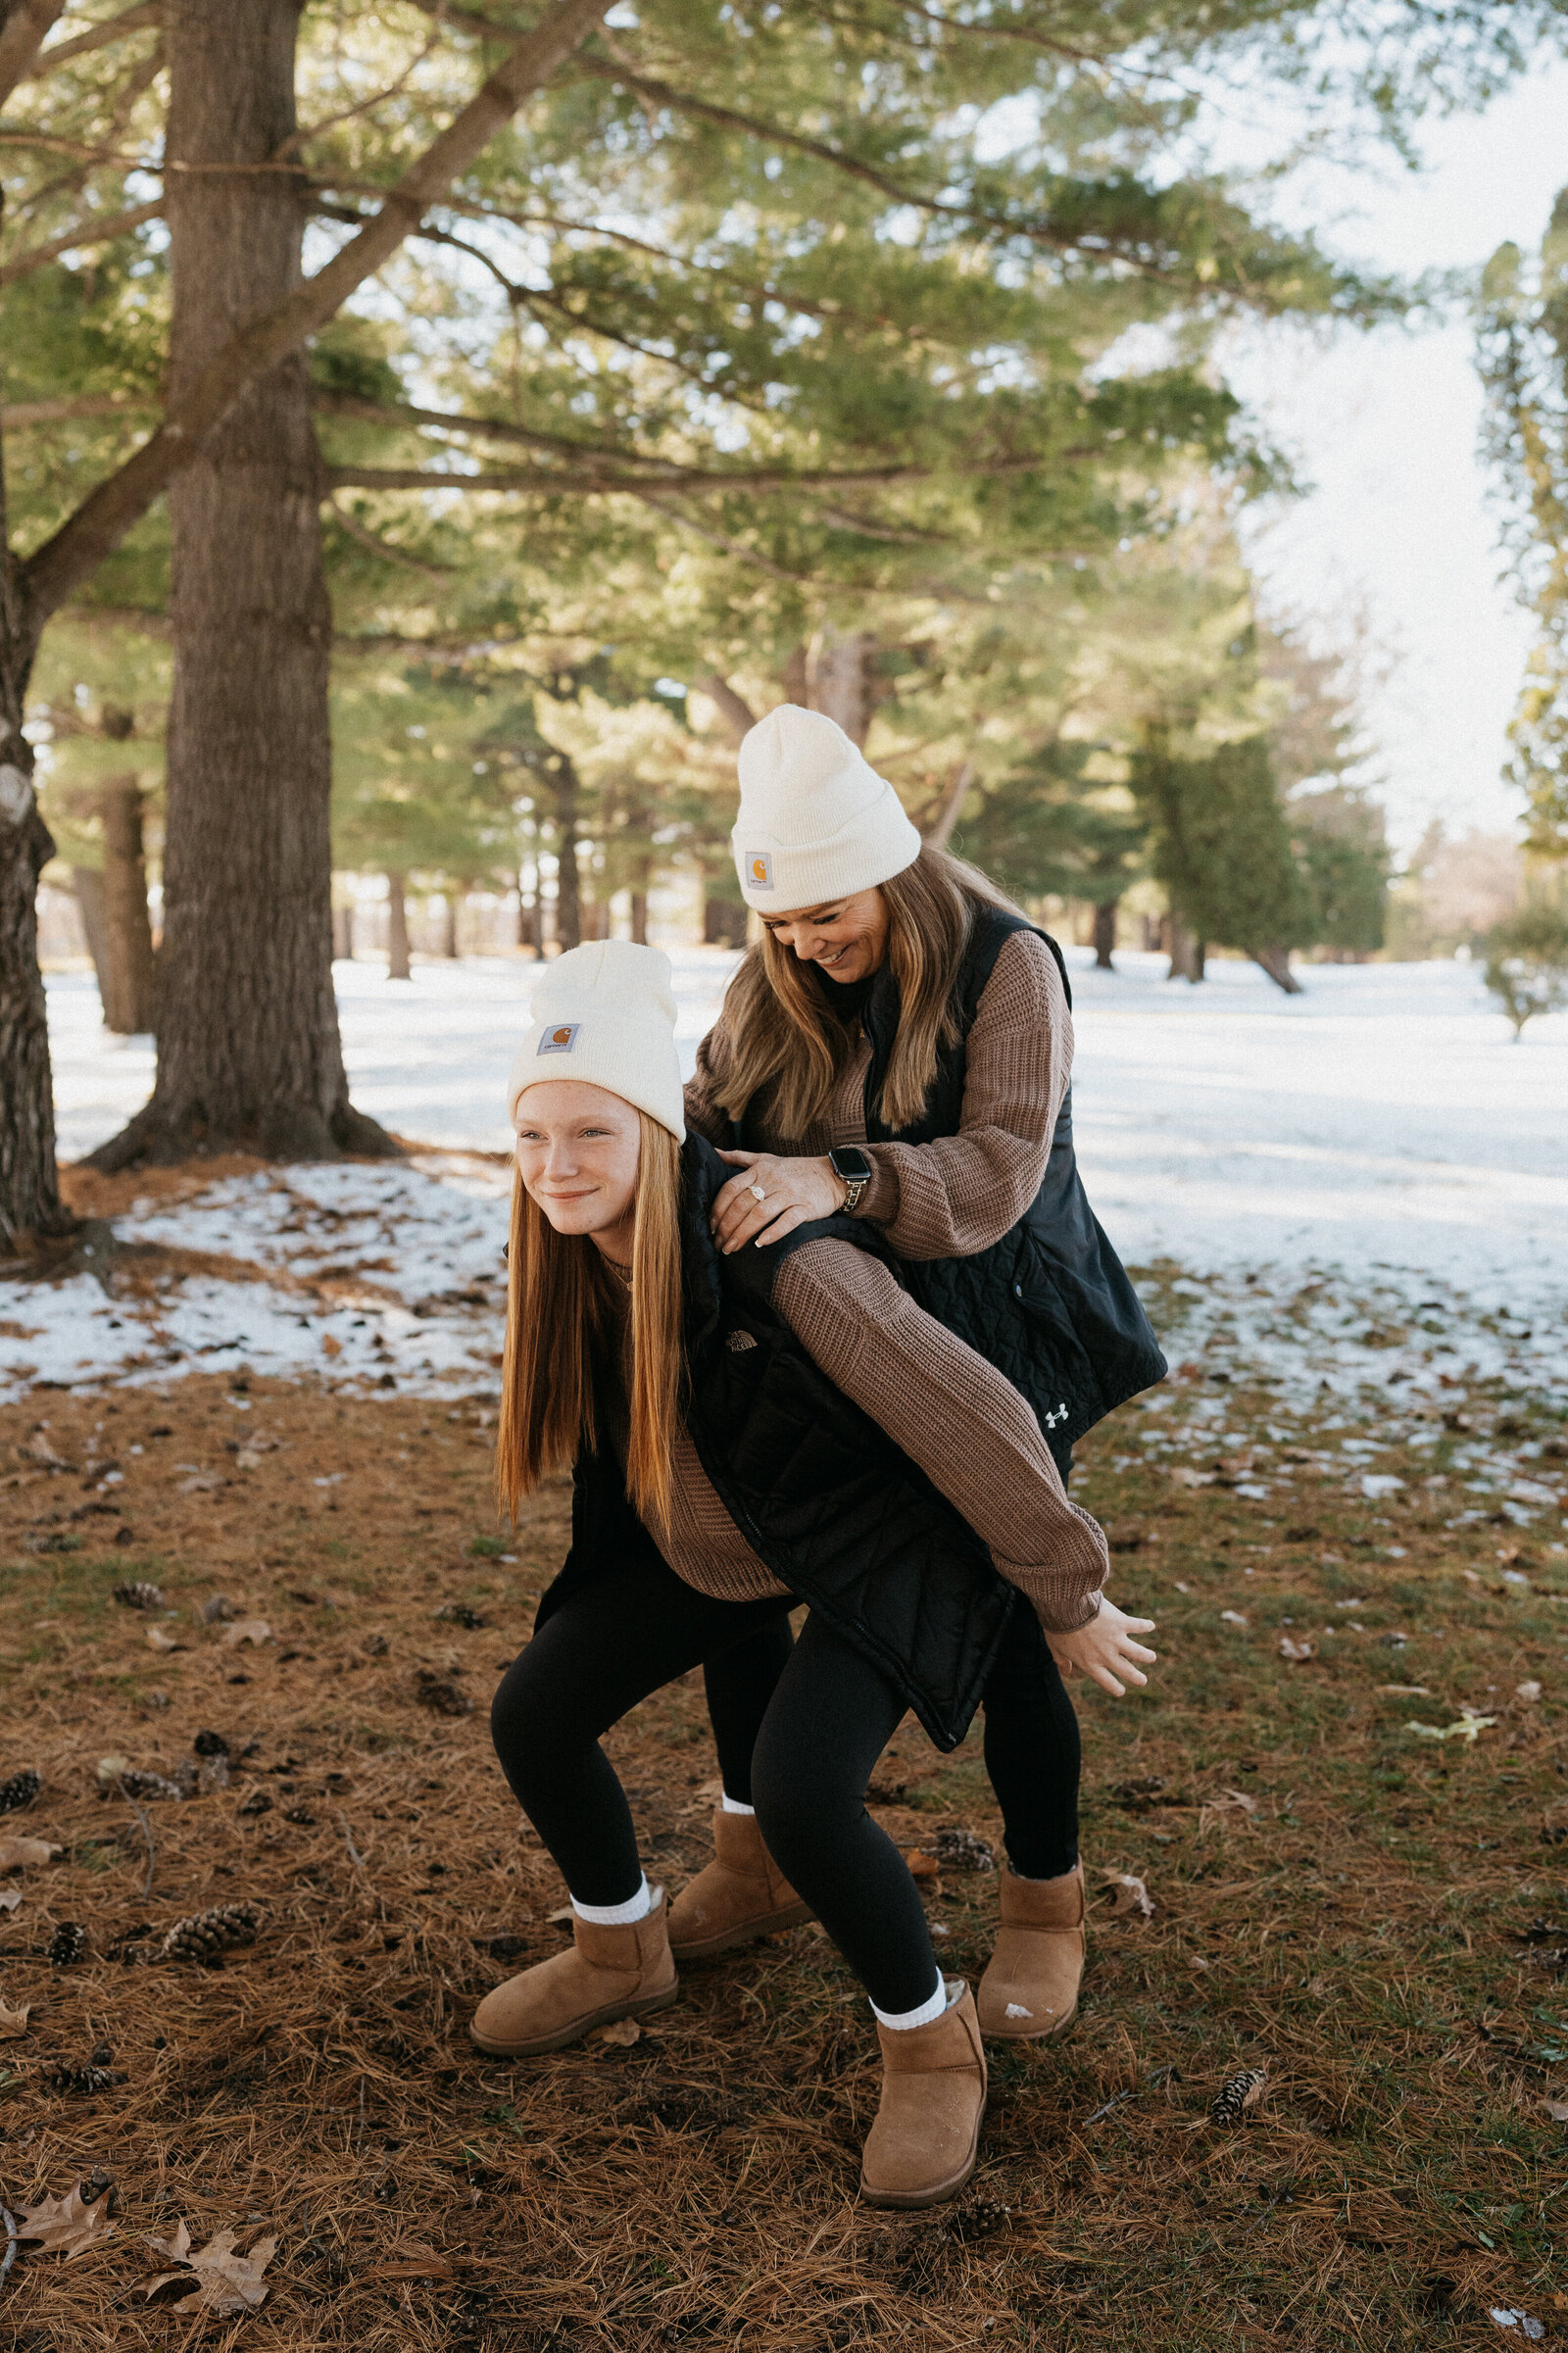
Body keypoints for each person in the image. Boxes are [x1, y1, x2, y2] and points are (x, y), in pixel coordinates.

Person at [472, 940, 1156, 2209]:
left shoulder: (782, 1255)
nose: (556, 1166)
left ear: (654, 1135)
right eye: (531, 1136)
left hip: (899, 1525)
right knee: (535, 1711)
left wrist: (1068, 1591)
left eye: (589, 1134)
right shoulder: (571, 1250)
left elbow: (973, 1415)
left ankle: (926, 2030)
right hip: (748, 1522)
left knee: (801, 1786)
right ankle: (621, 1950)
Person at [669, 704, 1167, 2043]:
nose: (804, 947)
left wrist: (836, 1179)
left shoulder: (1009, 965)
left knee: (1006, 1624)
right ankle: (755, 1852)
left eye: (828, 915)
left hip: (1001, 1316)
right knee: (756, 1564)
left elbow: (1005, 1167)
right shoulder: (775, 974)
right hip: (844, 1337)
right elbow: (707, 1117)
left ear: (889, 870)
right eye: (779, 924)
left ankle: (1046, 1900)